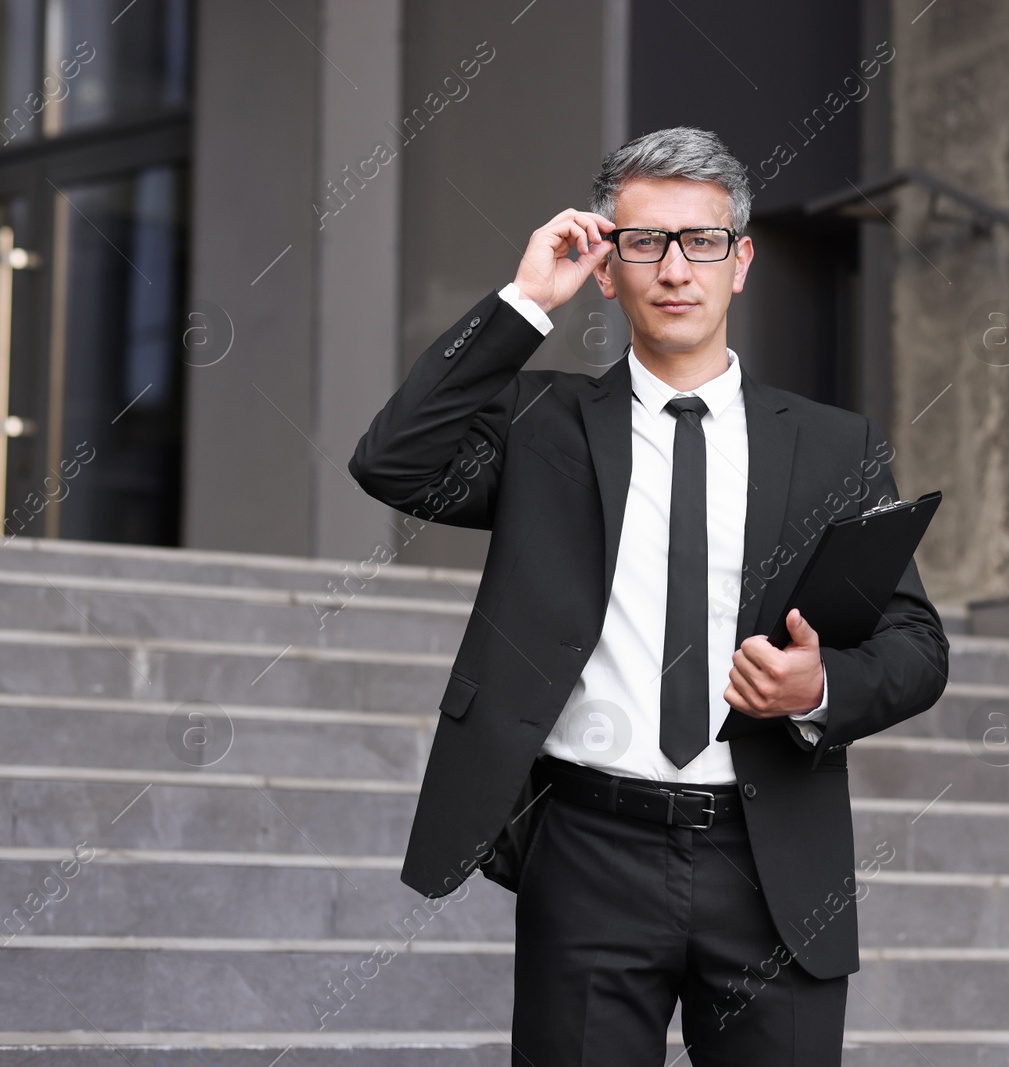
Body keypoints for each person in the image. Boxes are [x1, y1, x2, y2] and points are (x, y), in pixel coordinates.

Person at [347, 126, 948, 1066]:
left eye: (702, 240)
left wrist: (818, 687)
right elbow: (392, 459)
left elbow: (916, 645)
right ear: (606, 266)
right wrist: (522, 302)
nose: (675, 268)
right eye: (644, 242)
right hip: (590, 850)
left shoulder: (833, 446)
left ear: (741, 260)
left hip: (771, 857)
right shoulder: (542, 424)